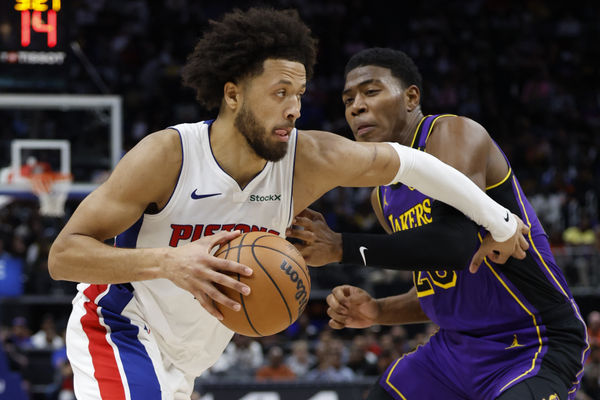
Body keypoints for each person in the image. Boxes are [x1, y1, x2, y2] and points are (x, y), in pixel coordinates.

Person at [48, 9, 527, 399]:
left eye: (298, 94)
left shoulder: (307, 158)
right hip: (119, 326)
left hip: (192, 355)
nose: (294, 108)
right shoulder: (166, 155)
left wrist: (498, 218)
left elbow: (410, 164)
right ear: (232, 94)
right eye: (279, 93)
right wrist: (169, 262)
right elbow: (64, 256)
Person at [286, 47, 590, 400]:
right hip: (454, 351)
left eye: (371, 92)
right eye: (348, 99)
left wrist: (341, 246)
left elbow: (456, 245)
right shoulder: (382, 197)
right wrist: (377, 310)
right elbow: (439, 286)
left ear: (411, 97)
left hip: (533, 342)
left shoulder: (454, 133)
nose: (356, 107)